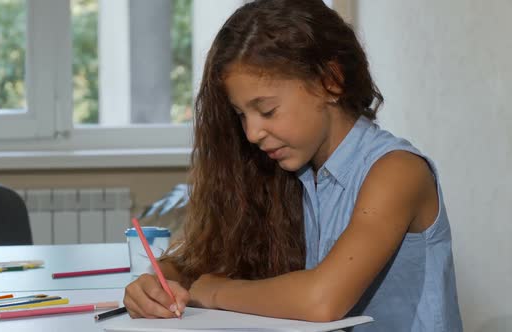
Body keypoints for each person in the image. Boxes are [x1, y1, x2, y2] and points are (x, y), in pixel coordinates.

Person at [123, 0, 463, 330]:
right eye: (242, 115)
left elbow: (322, 301)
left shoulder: (397, 172)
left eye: (267, 110)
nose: (253, 133)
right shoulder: (291, 171)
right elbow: (201, 260)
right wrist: (159, 282)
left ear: (331, 81)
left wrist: (212, 291)